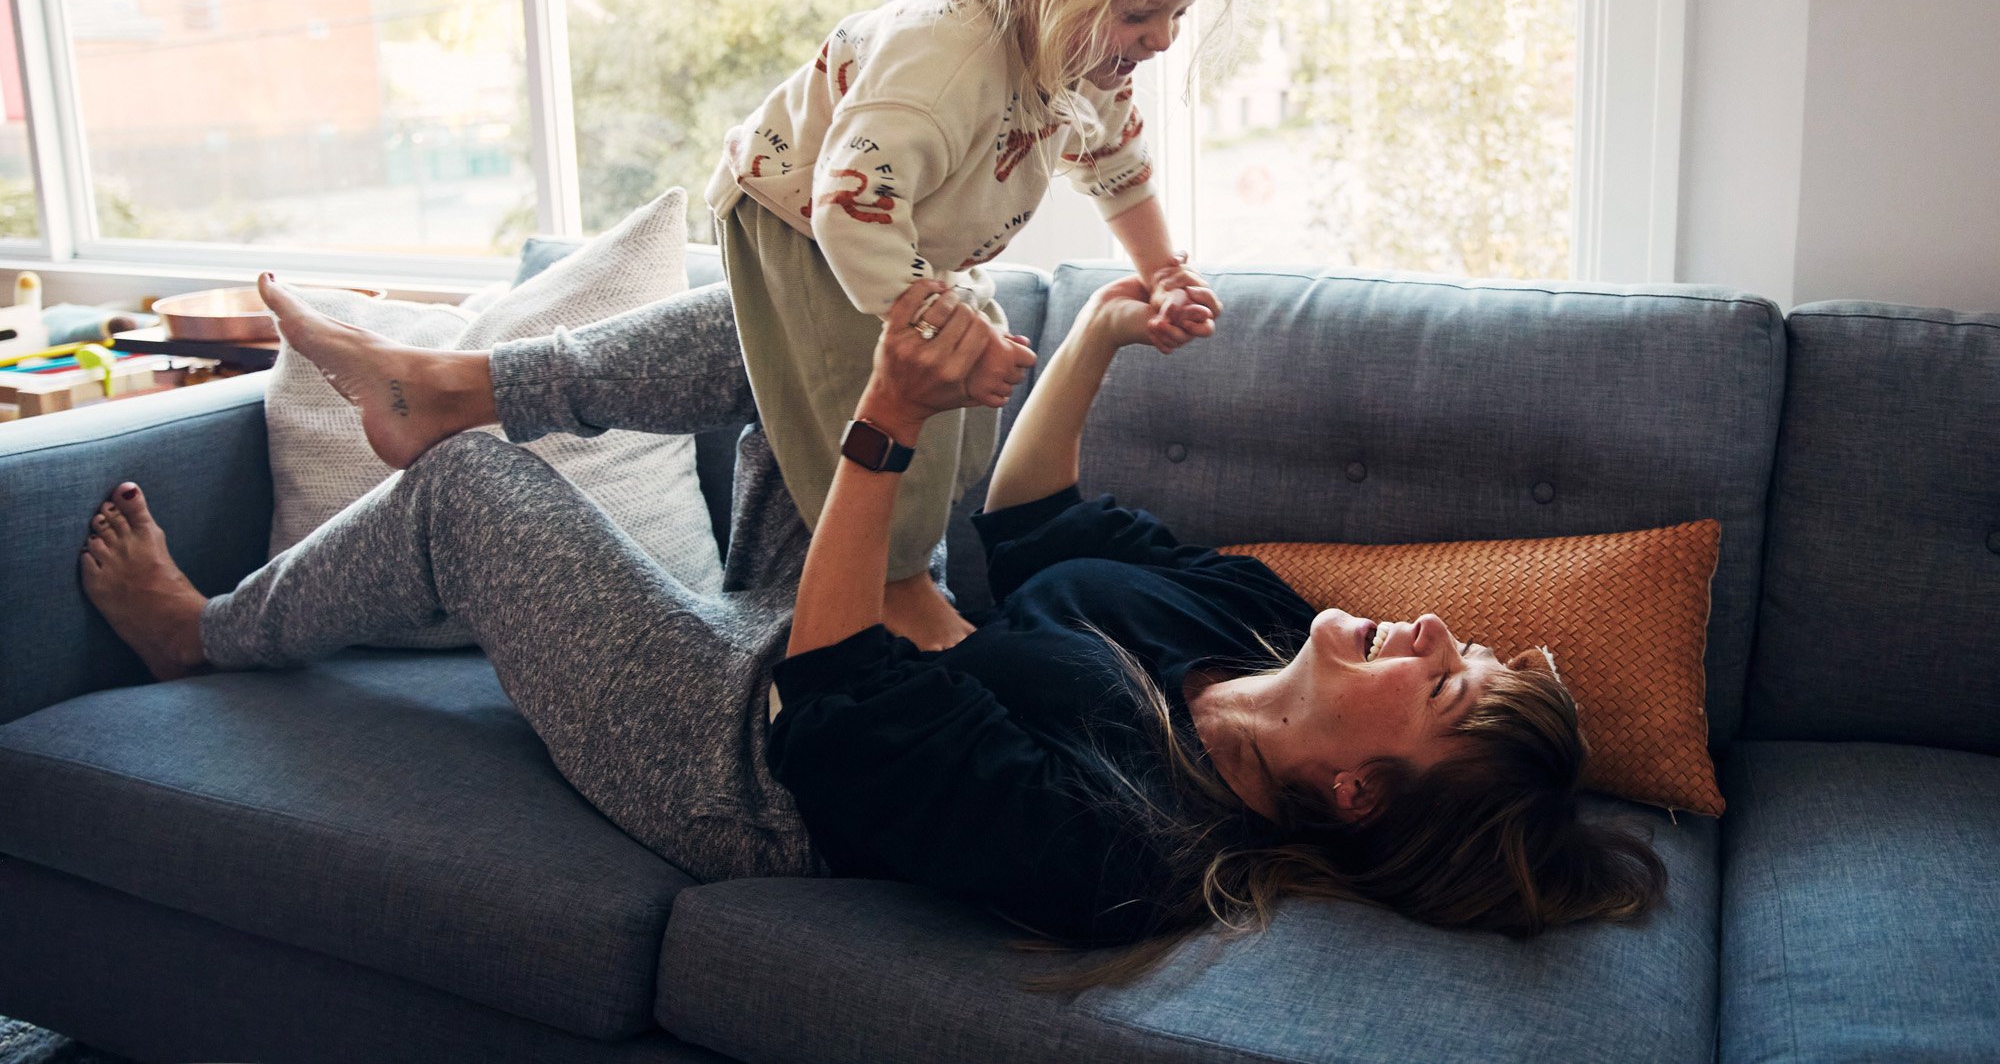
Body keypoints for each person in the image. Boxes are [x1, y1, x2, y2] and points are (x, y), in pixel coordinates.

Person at [79, 271, 1666, 983]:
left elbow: (838, 694)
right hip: (833, 620)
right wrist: (1047, 347)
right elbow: (1021, 540)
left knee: (477, 501)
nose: (1431, 632)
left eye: (1442, 684)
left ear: (1361, 794)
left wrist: (895, 433)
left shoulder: (1131, 846)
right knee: (836, 313)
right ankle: (454, 381)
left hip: (747, 755)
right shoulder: (1251, 632)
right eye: (1462, 651)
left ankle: (204, 638)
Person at [703, 0, 1240, 653]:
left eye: (1179, 11)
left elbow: (1117, 165)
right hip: (803, 218)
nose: (1164, 37)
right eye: (1142, 13)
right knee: (896, 397)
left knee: (963, 424)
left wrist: (1164, 267)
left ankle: (475, 382)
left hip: (902, 228)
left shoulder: (1084, 48)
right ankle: (902, 588)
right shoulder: (944, 59)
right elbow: (853, 205)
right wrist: (930, 321)